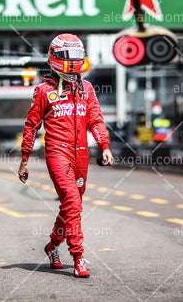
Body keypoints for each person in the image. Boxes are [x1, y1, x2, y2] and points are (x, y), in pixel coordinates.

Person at [18, 33, 114, 278]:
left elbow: (96, 119)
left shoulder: (87, 88)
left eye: (76, 56)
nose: (73, 61)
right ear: (56, 57)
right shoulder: (43, 90)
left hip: (82, 154)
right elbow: (31, 125)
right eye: (68, 56)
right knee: (72, 203)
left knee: (72, 206)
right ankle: (78, 256)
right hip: (56, 152)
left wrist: (104, 145)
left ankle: (52, 246)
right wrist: (25, 159)